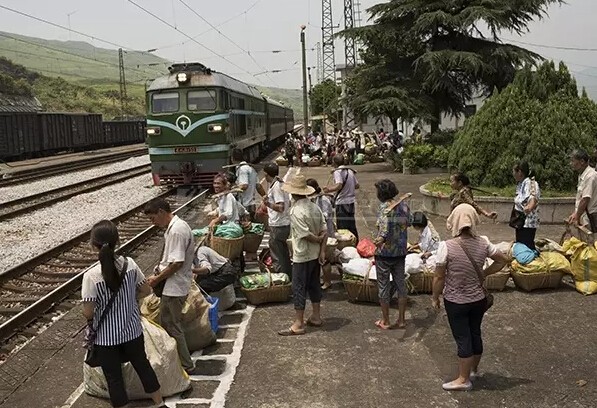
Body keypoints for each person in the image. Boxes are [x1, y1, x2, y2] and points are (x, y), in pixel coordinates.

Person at [82, 220, 166, 408]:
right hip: (132, 331)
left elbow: (88, 312)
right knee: (143, 366)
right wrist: (128, 298)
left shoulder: (91, 276)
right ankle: (159, 403)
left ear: (94, 245)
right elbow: (145, 291)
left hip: (106, 339)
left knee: (114, 378)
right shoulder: (130, 265)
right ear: (117, 242)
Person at [432, 204, 509, 391]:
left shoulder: (446, 246)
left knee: (462, 337)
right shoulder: (484, 242)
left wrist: (435, 297)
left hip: (456, 301)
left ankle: (463, 379)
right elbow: (503, 260)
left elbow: (439, 276)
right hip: (478, 299)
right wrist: (484, 273)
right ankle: (473, 370)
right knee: (475, 331)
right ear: (474, 220)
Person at [144, 197, 198, 376]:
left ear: (161, 212)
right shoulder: (174, 228)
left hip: (174, 286)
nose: (153, 223)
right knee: (170, 323)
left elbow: (176, 263)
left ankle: (186, 364)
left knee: (171, 324)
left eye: (153, 218)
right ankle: (181, 360)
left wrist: (157, 279)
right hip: (174, 284)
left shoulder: (176, 230)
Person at [278, 175, 327, 336]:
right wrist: (322, 249)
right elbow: (324, 229)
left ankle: (298, 323)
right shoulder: (314, 207)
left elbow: (304, 234)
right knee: (314, 285)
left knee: (298, 287)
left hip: (302, 253)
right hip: (315, 253)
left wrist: (317, 239)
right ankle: (316, 316)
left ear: (293, 193)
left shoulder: (296, 211)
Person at [372, 179, 410, 330]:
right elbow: (410, 222)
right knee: (401, 285)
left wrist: (379, 240)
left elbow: (384, 230)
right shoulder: (404, 206)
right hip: (400, 252)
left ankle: (386, 320)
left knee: (383, 286)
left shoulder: (384, 208)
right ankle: (401, 320)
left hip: (384, 253)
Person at [262, 163, 292, 278]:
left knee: (278, 256)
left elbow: (280, 207)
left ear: (265, 174)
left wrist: (267, 204)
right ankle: (288, 276)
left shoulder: (276, 187)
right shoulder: (278, 183)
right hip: (283, 224)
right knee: (284, 254)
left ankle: (282, 278)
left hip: (278, 225)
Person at [306, 178, 335, 290]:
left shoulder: (323, 200)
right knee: (317, 258)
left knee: (325, 259)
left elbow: (325, 216)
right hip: (316, 233)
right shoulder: (312, 199)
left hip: (325, 233)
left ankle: (327, 281)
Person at [324, 155, 360, 241]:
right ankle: (355, 243)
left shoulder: (338, 172)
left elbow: (339, 185)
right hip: (351, 202)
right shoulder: (350, 171)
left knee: (343, 227)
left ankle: (345, 245)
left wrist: (328, 189)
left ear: (335, 162)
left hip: (342, 203)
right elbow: (357, 185)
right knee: (351, 225)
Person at [512, 161, 540, 250]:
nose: (513, 174)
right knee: (520, 245)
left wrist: (529, 207)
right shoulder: (521, 184)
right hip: (520, 221)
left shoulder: (531, 183)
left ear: (519, 172)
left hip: (527, 222)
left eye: (514, 171)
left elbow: (533, 197)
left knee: (527, 247)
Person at [568, 149, 597, 232]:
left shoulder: (590, 176)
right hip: (585, 216)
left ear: (582, 161)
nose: (571, 164)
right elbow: (580, 198)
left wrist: (577, 216)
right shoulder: (582, 175)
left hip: (592, 217)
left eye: (573, 161)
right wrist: (576, 213)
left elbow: (585, 199)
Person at [232, 148, 265, 221]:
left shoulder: (242, 169)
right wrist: (265, 197)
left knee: (246, 227)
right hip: (252, 204)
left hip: (244, 205)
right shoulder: (251, 168)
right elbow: (258, 186)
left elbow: (244, 186)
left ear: (233, 158)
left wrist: (232, 189)